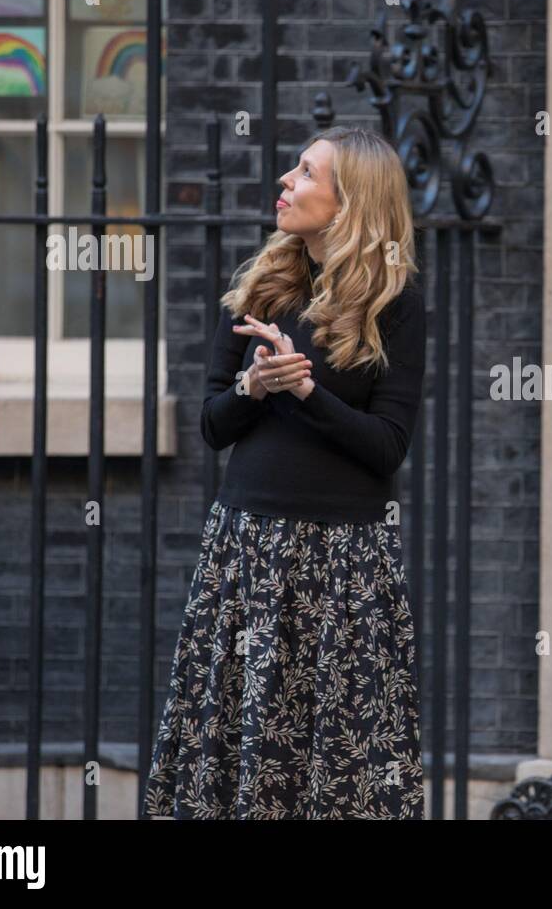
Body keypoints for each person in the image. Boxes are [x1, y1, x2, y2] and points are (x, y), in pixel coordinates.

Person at [142, 127, 427, 819]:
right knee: (241, 736)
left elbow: (388, 446)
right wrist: (255, 387)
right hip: (249, 549)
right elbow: (211, 425)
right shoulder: (263, 288)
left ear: (348, 202)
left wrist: (305, 390)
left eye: (304, 174)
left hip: (344, 559)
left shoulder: (395, 302)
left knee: (338, 752)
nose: (285, 183)